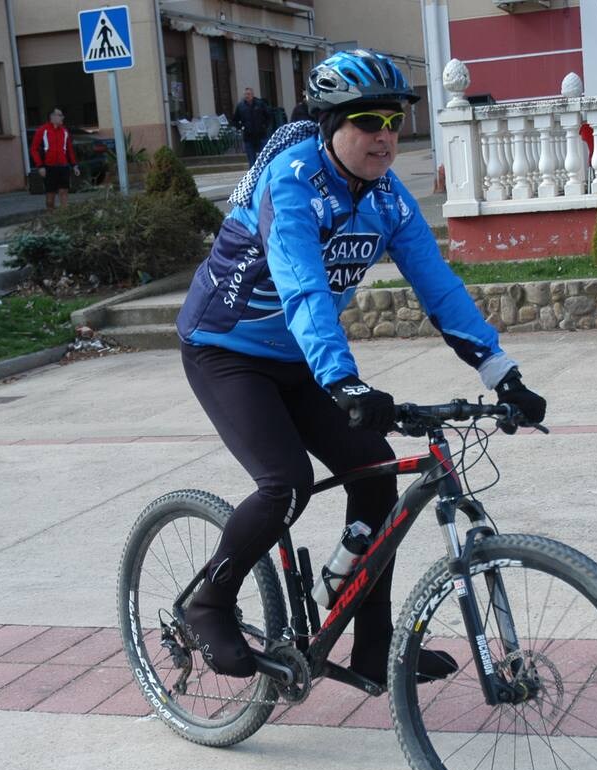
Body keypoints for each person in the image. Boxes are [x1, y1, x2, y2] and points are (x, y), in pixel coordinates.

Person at [175, 49, 547, 683]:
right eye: (367, 121)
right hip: (226, 350)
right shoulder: (289, 180)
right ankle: (208, 600)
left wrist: (500, 371)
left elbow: (439, 286)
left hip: (300, 360)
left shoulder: (386, 198)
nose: (384, 136)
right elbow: (303, 288)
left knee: (375, 476)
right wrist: (343, 379)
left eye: (394, 121)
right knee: (285, 482)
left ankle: (372, 646)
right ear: (329, 124)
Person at [29, 108, 80, 210]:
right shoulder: (42, 130)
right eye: (60, 115)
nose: (63, 117)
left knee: (64, 193)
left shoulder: (65, 131)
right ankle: (51, 219)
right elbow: (33, 149)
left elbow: (69, 150)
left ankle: (65, 219)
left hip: (63, 167)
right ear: (52, 117)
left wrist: (74, 165)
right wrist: (40, 166)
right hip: (49, 168)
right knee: (50, 199)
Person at [231, 87, 272, 165]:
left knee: (264, 158)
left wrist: (265, 126)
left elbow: (269, 115)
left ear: (252, 95)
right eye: (245, 94)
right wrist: (241, 127)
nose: (247, 96)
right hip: (248, 136)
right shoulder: (241, 106)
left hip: (261, 135)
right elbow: (235, 120)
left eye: (248, 94)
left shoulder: (260, 104)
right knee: (251, 160)